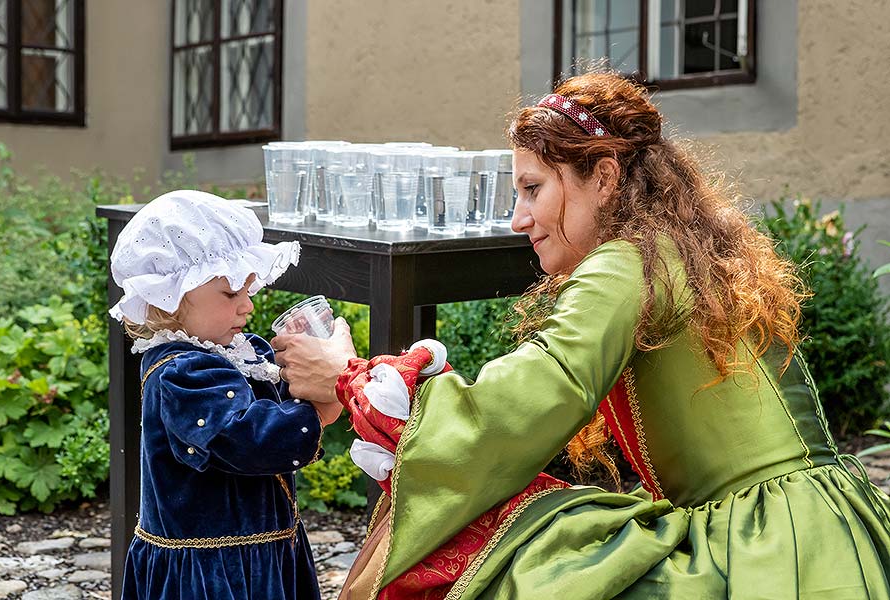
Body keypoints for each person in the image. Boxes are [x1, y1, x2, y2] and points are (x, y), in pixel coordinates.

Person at [272, 72, 890, 599]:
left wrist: (350, 380)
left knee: (518, 559)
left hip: (761, 551)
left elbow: (537, 391)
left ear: (603, 176)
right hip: (828, 524)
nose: (518, 219)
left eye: (533, 189)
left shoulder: (629, 261)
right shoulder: (683, 250)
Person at [109, 190, 342, 600]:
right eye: (231, 294)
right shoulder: (181, 372)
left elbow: (273, 408)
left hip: (260, 551)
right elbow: (245, 439)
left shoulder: (240, 351)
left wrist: (310, 374)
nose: (247, 306)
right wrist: (318, 412)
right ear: (173, 300)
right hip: (211, 574)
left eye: (248, 290)